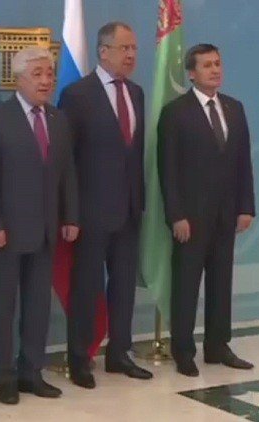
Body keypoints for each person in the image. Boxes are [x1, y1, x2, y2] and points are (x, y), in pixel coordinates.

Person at [0, 46, 79, 405]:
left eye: (49, 73)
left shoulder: (58, 119)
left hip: (46, 231)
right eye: (37, 74)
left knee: (38, 307)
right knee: (2, 308)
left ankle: (31, 373)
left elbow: (67, 174)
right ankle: (4, 376)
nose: (46, 81)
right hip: (5, 233)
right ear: (17, 78)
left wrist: (71, 216)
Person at [59, 21, 152, 389]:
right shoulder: (77, 95)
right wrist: (71, 212)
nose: (131, 55)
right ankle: (80, 358)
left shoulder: (137, 93)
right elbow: (66, 160)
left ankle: (119, 353)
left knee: (124, 286)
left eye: (134, 48)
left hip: (128, 210)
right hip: (90, 212)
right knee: (86, 287)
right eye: (124, 48)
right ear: (103, 51)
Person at [158, 43, 256, 377]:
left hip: (226, 215)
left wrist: (246, 206)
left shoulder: (234, 108)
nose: (215, 70)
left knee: (221, 282)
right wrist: (176, 215)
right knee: (186, 285)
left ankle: (217, 346)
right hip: (190, 218)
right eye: (207, 65)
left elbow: (243, 162)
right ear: (191, 73)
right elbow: (167, 170)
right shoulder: (176, 113)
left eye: (217, 64)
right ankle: (183, 350)